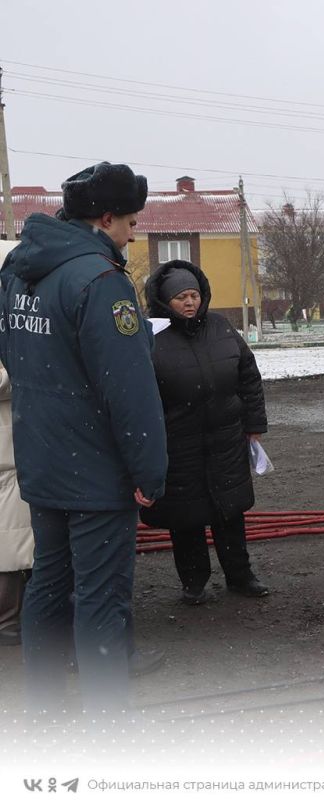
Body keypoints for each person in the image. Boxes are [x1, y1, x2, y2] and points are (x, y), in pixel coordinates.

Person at [0, 162, 168, 714]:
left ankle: (42, 711)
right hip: (93, 471)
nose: (134, 232)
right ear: (104, 218)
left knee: (49, 581)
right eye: (130, 220)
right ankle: (108, 726)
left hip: (41, 461)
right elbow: (130, 389)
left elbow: (16, 360)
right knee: (102, 597)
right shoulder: (100, 281)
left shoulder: (18, 272)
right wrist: (149, 471)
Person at [142, 260, 269, 604]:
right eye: (181, 296)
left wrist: (254, 426)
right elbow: (138, 394)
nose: (189, 302)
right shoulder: (149, 335)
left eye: (194, 294)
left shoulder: (221, 326)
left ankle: (241, 576)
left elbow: (248, 377)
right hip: (177, 444)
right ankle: (194, 583)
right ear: (164, 300)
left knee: (230, 513)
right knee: (187, 519)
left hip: (225, 438)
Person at [0, 361, 32, 647]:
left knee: (18, 540)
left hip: (15, 448)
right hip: (7, 456)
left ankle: (15, 620)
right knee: (10, 545)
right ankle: (7, 622)